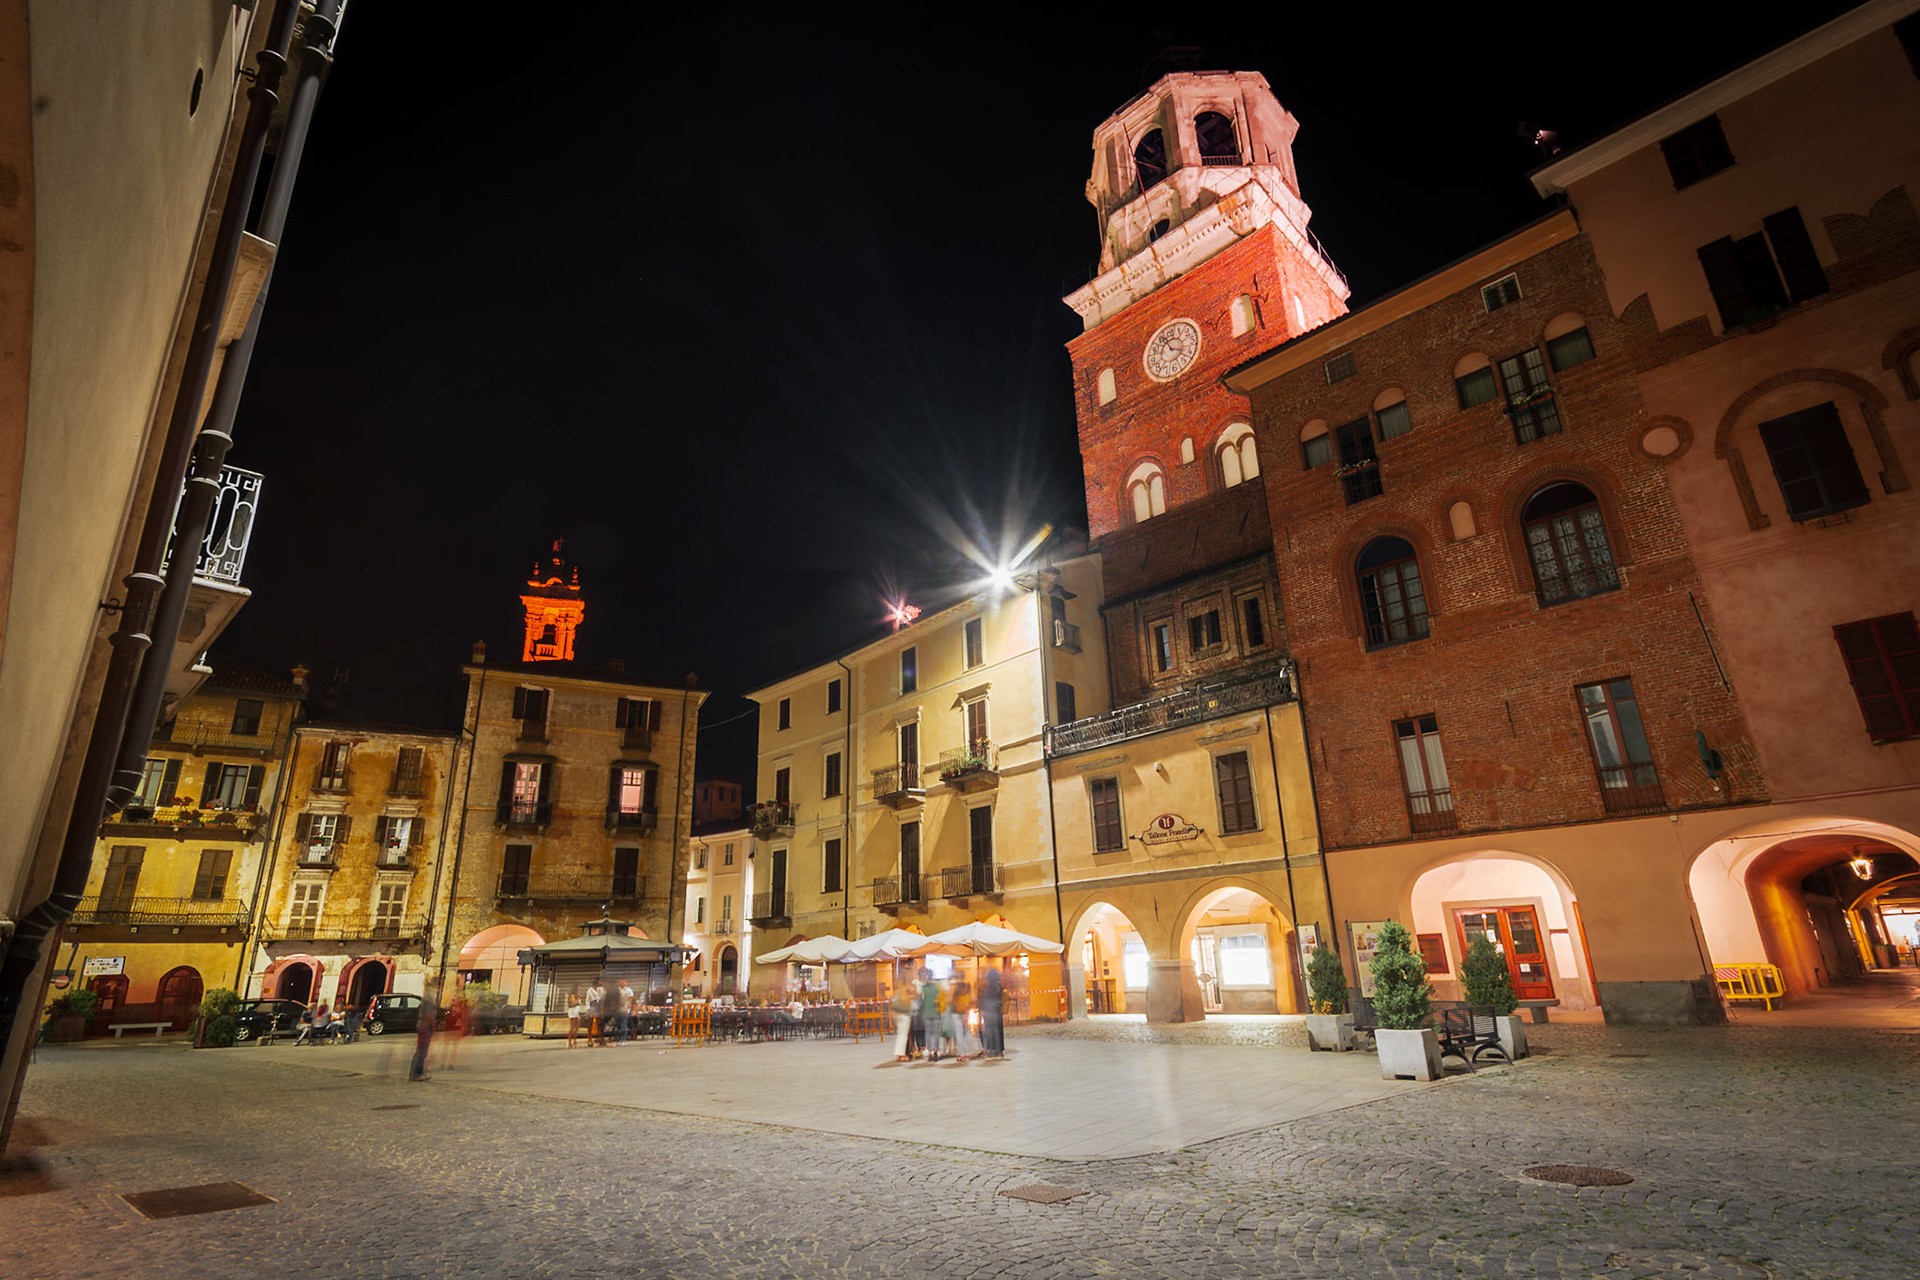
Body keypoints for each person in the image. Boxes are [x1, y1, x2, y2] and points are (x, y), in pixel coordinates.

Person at [917, 969, 943, 1063]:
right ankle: (935, 1051)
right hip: (936, 1012)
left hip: (926, 1013)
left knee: (928, 1033)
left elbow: (920, 998)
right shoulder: (937, 986)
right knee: (936, 1033)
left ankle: (930, 1052)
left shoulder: (923, 988)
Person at [409, 999, 437, 1082]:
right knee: (421, 1051)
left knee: (421, 1051)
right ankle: (416, 1074)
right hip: (425, 1028)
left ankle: (416, 1073)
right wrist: (432, 1024)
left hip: (424, 1027)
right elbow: (429, 1016)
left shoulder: (424, 1004)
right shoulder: (428, 1005)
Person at [979, 968, 1005, 1059]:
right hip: (997, 1011)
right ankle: (998, 1050)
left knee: (990, 1031)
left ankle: (991, 1049)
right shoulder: (1000, 987)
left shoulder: (988, 987)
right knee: (997, 1031)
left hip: (989, 1011)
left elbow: (985, 1000)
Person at [889, 977, 916, 1062]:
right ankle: (902, 1055)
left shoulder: (897, 991)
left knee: (900, 1034)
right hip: (904, 1014)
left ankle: (898, 1055)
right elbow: (907, 999)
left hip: (897, 1014)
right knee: (904, 1035)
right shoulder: (905, 989)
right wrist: (913, 993)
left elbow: (894, 1002)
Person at [950, 978, 975, 1060]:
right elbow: (970, 1001)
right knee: (967, 1032)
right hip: (964, 1013)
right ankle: (970, 1052)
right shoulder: (966, 989)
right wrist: (967, 1014)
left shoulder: (955, 990)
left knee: (959, 1034)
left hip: (955, 1013)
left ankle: (961, 1055)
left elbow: (950, 1001)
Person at [585, 981, 604, 1047]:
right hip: (592, 1004)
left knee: (600, 1023)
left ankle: (600, 1038)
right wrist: (587, 1009)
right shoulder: (590, 990)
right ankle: (590, 1040)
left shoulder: (601, 989)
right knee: (590, 1023)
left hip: (599, 1005)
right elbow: (587, 999)